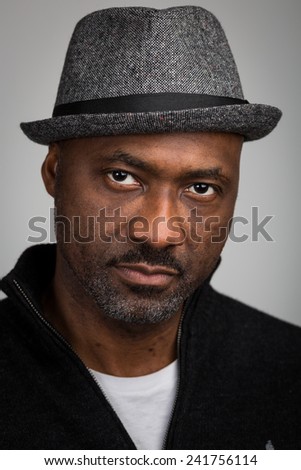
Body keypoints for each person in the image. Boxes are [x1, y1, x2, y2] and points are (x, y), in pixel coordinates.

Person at [0, 5, 300, 450]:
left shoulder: (288, 368)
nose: (158, 233)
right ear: (54, 171)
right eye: (122, 177)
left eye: (201, 187)